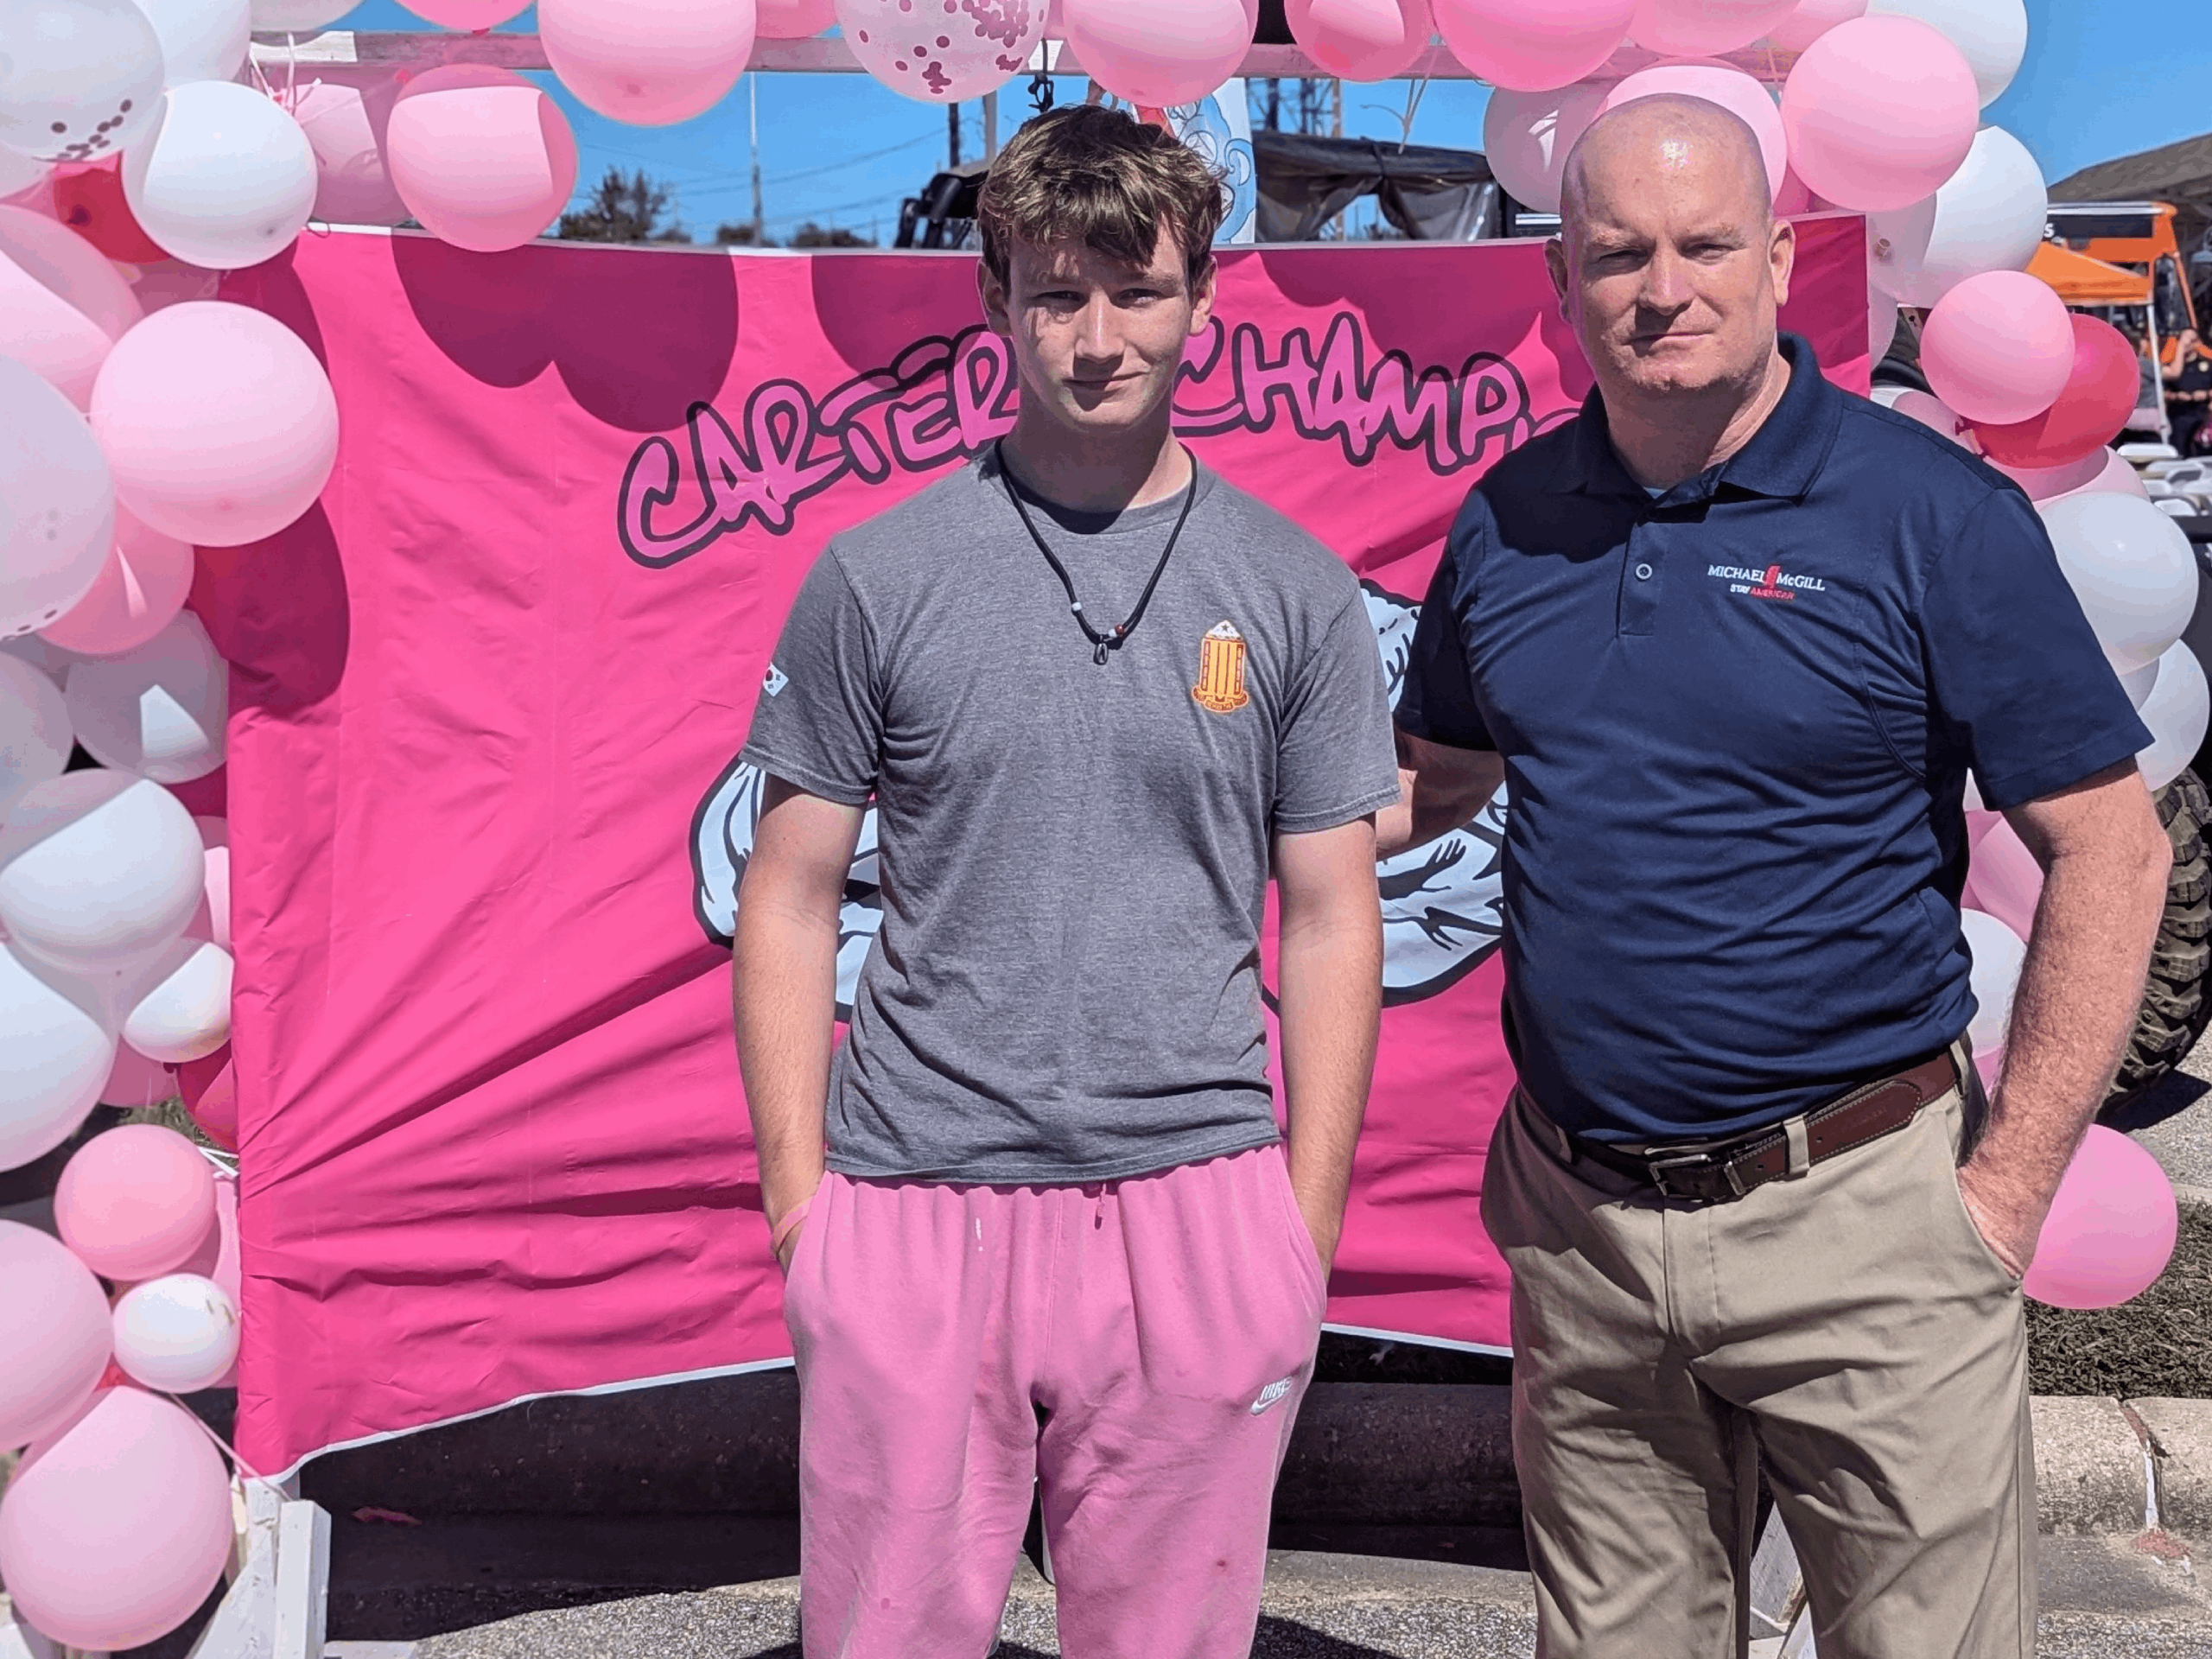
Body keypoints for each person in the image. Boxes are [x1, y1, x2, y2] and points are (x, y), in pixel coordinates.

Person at [1381, 95, 2172, 1658]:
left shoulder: (1930, 514)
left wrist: (2004, 1198)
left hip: (1867, 1217)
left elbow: (2112, 847)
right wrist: (1181, 810)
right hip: (1584, 1225)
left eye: (1703, 244)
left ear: (1779, 255)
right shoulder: (1509, 522)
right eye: (1616, 253)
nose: (1661, 287)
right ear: (1561, 284)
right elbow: (1440, 775)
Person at [732, 103, 1398, 1657]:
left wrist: (1299, 1231)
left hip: (1198, 1205)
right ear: (995, 301)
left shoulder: (1291, 590)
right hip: (912, 1203)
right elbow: (787, 890)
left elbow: (1332, 909)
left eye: (1137, 289)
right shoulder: (880, 577)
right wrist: (799, 1214)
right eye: (1055, 294)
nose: (1098, 336)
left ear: (1205, 296)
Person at [2163, 325, 2212, 455]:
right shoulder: (2172, 366)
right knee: (2180, 451)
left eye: (2192, 339)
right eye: (2185, 340)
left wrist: (2206, 394)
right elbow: (2160, 393)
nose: (2189, 344)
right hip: (2179, 415)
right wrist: (2177, 396)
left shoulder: (2207, 362)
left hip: (2203, 415)